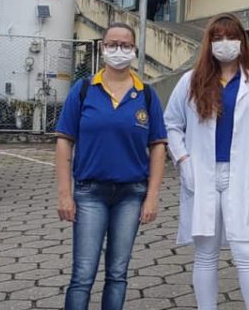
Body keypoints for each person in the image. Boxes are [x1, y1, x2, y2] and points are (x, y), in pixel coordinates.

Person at [164, 13, 249, 310]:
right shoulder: (190, 81)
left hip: (239, 175)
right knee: (205, 254)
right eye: (218, 38)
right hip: (201, 174)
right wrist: (184, 159)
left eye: (231, 37)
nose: (225, 44)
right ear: (209, 43)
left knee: (246, 250)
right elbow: (172, 124)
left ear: (242, 41)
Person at [55, 22, 167, 310]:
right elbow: (64, 141)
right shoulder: (82, 91)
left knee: (118, 274)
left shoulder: (147, 95)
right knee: (83, 274)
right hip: (90, 193)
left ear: (135, 50)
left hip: (131, 194)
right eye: (112, 44)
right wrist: (64, 194)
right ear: (102, 48)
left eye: (126, 45)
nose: (119, 50)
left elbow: (158, 146)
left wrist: (152, 197)